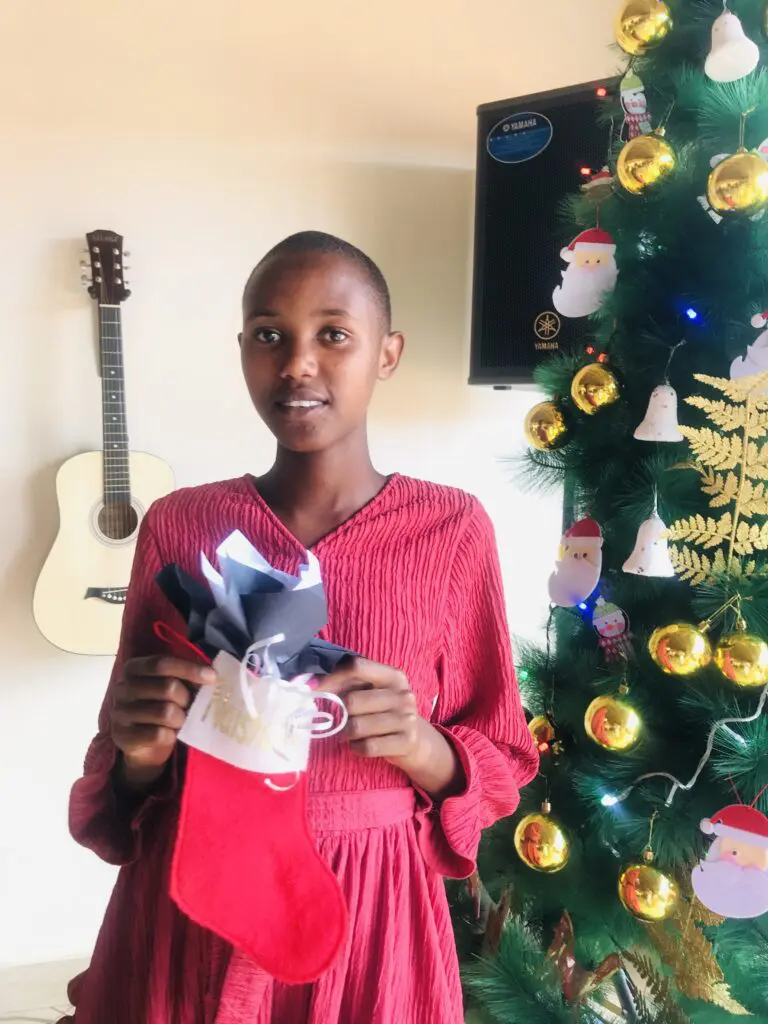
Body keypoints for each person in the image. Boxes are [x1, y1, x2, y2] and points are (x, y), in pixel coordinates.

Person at [63, 231, 538, 1024]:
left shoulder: (451, 530)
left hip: (372, 905)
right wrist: (140, 754)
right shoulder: (182, 524)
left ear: (386, 354)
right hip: (195, 896)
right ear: (243, 348)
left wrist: (425, 746)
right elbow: (124, 765)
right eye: (268, 335)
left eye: (334, 335)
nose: (298, 364)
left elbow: (504, 754)